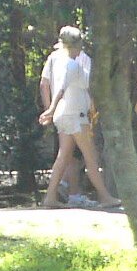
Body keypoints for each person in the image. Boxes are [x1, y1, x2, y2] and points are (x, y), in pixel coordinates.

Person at [38, 25, 120, 209]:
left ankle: (50, 197)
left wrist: (52, 111)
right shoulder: (73, 64)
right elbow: (61, 89)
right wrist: (50, 110)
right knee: (91, 157)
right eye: (78, 46)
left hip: (65, 115)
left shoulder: (58, 60)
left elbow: (49, 85)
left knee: (63, 157)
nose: (80, 49)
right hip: (75, 115)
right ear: (72, 46)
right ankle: (105, 197)